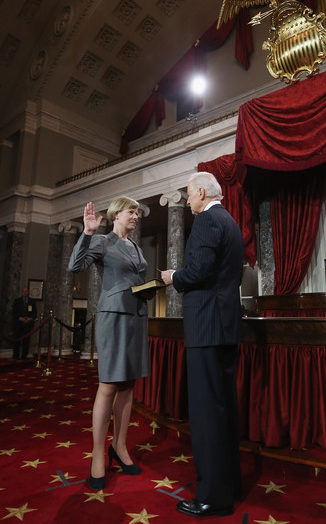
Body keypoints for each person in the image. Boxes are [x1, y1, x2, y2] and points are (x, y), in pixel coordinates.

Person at [161, 172, 244, 518]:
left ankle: (212, 496)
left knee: (207, 414)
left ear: (199, 192)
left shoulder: (208, 220)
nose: (187, 200)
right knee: (223, 410)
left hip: (207, 328)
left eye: (188, 194)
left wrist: (172, 277)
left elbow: (198, 272)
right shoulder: (230, 221)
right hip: (223, 327)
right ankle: (228, 485)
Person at [68, 197, 153, 491]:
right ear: (116, 214)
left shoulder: (135, 246)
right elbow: (75, 265)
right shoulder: (103, 241)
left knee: (128, 384)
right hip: (114, 317)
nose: (136, 216)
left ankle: (120, 446)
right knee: (108, 385)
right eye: (132, 211)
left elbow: (132, 279)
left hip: (136, 316)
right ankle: (97, 454)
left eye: (138, 213)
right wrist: (88, 232)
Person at [12, 286, 37, 360]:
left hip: (28, 324)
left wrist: (30, 319)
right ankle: (16, 355)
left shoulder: (32, 301)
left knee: (26, 341)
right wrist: (21, 319)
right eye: (23, 291)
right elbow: (14, 312)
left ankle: (24, 356)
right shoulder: (17, 301)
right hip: (19, 323)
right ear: (22, 292)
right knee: (17, 340)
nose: (25, 292)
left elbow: (34, 313)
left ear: (28, 292)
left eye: (26, 291)